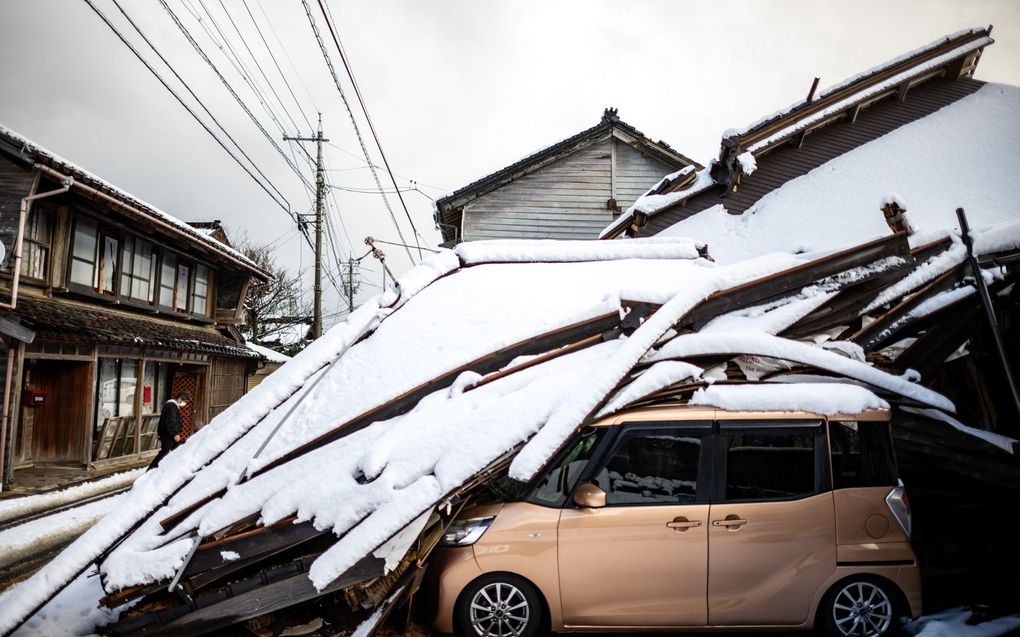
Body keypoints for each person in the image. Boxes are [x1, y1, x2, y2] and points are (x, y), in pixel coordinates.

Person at [147, 390, 191, 471]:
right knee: (165, 451)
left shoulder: (172, 406)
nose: (185, 404)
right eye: (185, 401)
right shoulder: (171, 406)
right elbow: (171, 421)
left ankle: (168, 469)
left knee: (175, 450)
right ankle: (151, 469)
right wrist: (175, 434)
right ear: (180, 399)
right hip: (168, 434)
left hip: (168, 434)